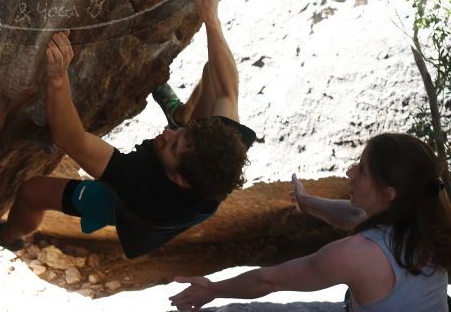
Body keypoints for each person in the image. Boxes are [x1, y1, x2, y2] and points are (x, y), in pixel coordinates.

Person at [0, 0, 258, 258]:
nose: (167, 135)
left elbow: (71, 140)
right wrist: (211, 20)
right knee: (212, 75)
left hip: (130, 212)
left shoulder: (140, 186)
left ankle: (10, 236)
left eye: (173, 144)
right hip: (184, 180)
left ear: (179, 179)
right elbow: (228, 87)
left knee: (32, 191)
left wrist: (57, 80)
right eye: (181, 133)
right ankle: (181, 115)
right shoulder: (223, 149)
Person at [169, 132, 451, 311]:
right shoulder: (425, 220)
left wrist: (213, 289)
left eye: (362, 170)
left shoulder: (357, 255)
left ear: (388, 194)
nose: (350, 171)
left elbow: (269, 281)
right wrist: (308, 203)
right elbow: (353, 215)